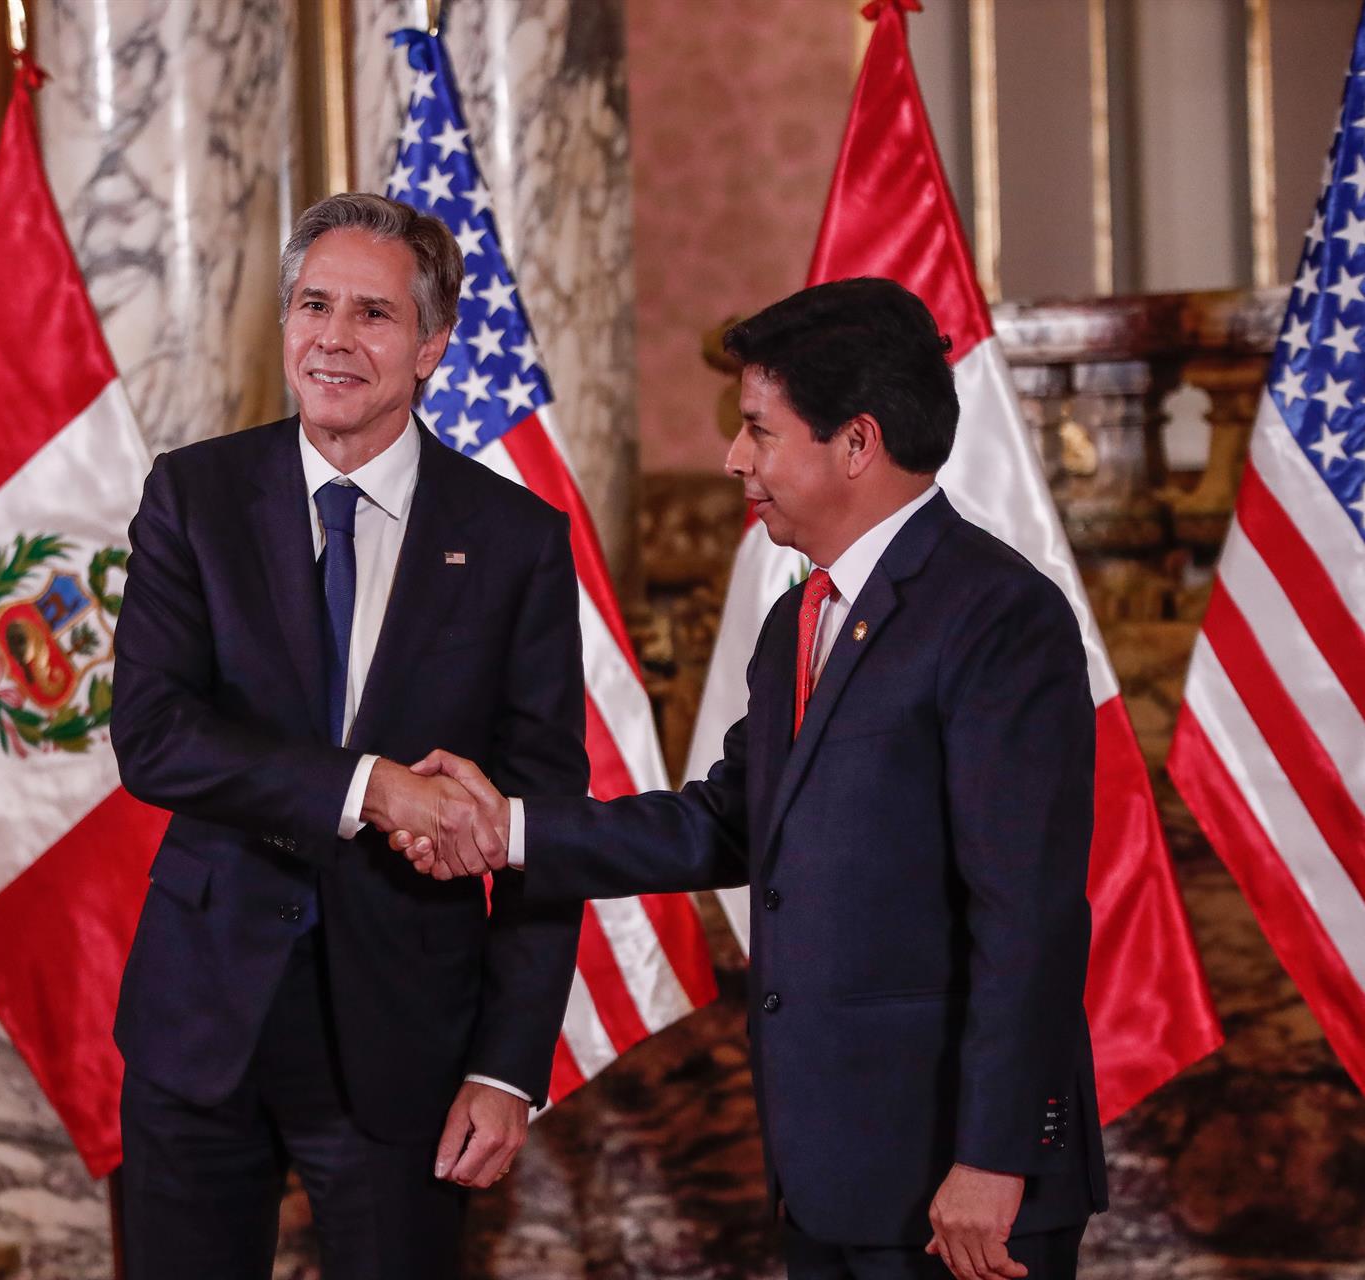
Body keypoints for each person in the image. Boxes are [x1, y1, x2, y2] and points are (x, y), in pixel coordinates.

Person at [391, 278, 1109, 1280]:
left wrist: (992, 1155)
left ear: (855, 443)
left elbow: (1026, 915)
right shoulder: (797, 618)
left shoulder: (998, 617)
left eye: (759, 431)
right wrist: (507, 826)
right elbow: (725, 822)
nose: (735, 459)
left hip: (959, 1179)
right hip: (830, 1169)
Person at [108, 192, 588, 1279]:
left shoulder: (515, 540)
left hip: (405, 1042)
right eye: (313, 304)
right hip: (202, 1019)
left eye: (372, 313)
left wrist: (509, 1067)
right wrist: (371, 785)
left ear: (430, 346)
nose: (333, 336)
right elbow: (154, 734)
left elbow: (542, 827)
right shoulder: (195, 495)